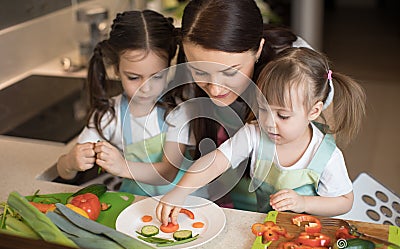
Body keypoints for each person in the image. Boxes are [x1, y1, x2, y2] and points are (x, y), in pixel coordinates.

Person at [156, 47, 366, 224]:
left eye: (283, 116)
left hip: (309, 234)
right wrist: (180, 191)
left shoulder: (326, 155)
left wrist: (303, 203)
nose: (269, 123)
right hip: (268, 226)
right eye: (263, 109)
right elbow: (216, 161)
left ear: (313, 111)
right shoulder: (254, 133)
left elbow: (344, 201)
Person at [172, 0, 312, 210]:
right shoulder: (184, 75)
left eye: (230, 72)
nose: (216, 89)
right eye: (200, 72)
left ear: (259, 49)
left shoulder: (298, 74)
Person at [57, 10, 192, 196]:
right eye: (134, 77)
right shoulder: (109, 115)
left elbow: (168, 172)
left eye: (157, 76)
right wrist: (71, 163)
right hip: (136, 203)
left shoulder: (177, 111)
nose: (146, 88)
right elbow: (64, 173)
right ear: (116, 70)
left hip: (186, 202)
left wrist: (123, 167)